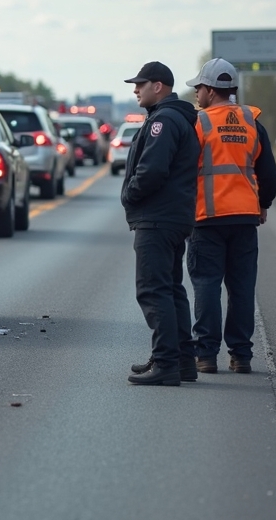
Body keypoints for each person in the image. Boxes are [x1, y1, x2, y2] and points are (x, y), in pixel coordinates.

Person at [185, 59, 276, 374]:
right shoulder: (253, 122)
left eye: (198, 87)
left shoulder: (199, 124)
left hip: (207, 218)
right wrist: (263, 203)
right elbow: (269, 173)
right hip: (245, 219)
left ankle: (206, 356)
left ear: (211, 90)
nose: (196, 93)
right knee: (241, 288)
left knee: (207, 285)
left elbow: (184, 172)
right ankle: (241, 356)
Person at [121, 61, 200, 386]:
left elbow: (153, 170)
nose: (135, 89)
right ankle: (182, 360)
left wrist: (130, 195)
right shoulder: (173, 117)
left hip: (157, 217)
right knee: (171, 289)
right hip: (173, 216)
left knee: (152, 290)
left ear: (159, 86)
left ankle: (166, 363)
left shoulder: (163, 121)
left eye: (141, 84)